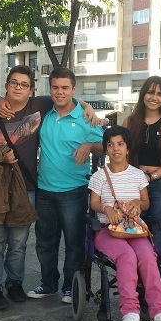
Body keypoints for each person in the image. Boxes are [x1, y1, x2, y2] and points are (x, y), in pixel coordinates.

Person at [88, 125, 161, 321]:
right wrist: (106, 207)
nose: (116, 149)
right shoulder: (99, 176)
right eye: (110, 145)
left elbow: (146, 203)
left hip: (134, 230)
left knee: (149, 256)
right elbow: (94, 203)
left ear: (128, 148)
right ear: (105, 149)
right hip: (108, 231)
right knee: (127, 256)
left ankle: (158, 311)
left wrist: (137, 204)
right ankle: (130, 311)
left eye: (120, 144)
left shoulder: (138, 175)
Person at [26, 67, 104, 304]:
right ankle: (48, 284)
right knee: (45, 242)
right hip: (45, 191)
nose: (60, 93)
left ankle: (70, 287)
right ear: (50, 89)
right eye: (55, 88)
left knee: (74, 242)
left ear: (73, 89)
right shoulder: (45, 114)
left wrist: (89, 146)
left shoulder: (85, 117)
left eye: (65, 88)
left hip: (74, 192)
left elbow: (104, 146)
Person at [123, 76, 161, 261]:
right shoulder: (130, 122)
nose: (154, 97)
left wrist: (151, 176)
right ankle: (135, 283)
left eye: (159, 94)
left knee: (156, 239)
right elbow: (121, 154)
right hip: (134, 186)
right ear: (143, 94)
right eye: (150, 92)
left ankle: (157, 286)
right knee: (133, 235)